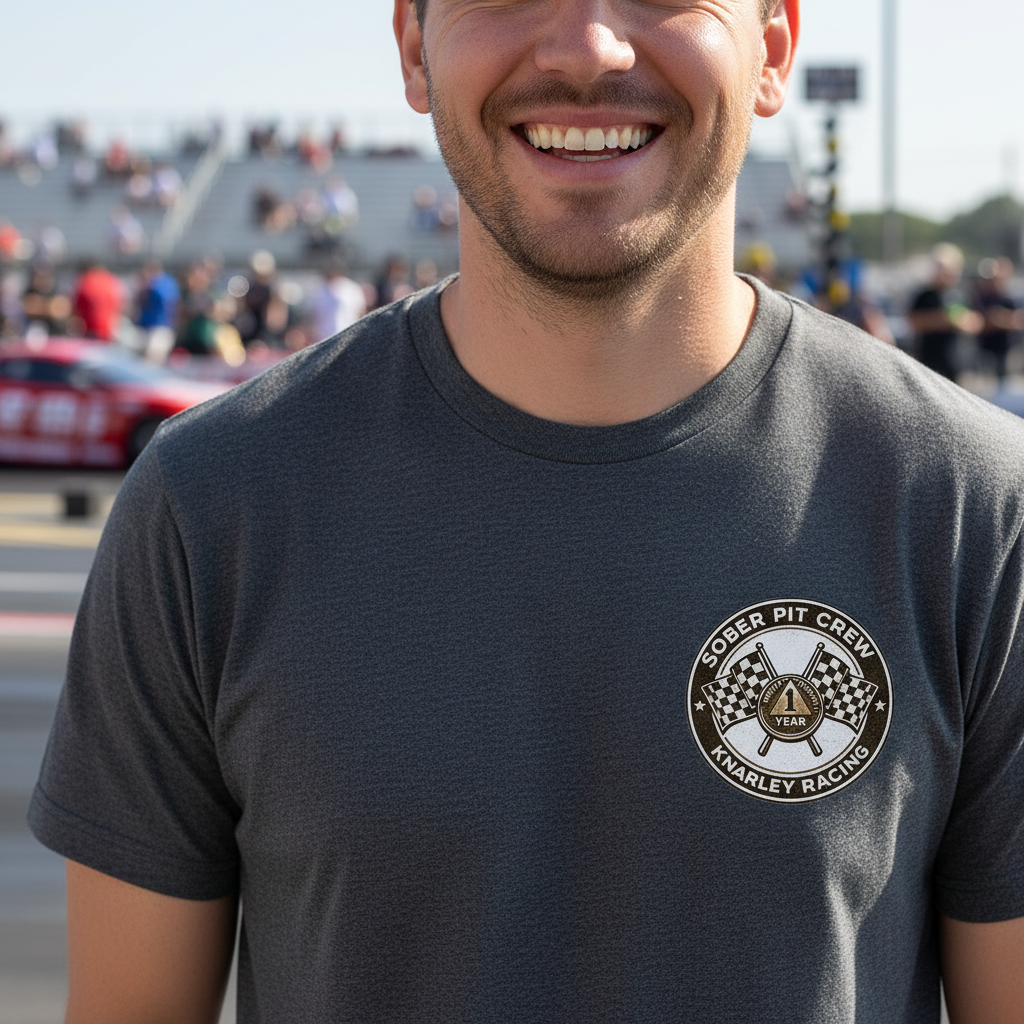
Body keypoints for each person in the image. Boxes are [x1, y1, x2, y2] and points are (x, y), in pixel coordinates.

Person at [29, 3, 1024, 1023]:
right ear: (413, 47)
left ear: (772, 48)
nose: (587, 45)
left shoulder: (973, 508)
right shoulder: (210, 507)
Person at [907, 243, 982, 381]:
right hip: (929, 362)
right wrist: (944, 320)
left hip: (957, 363)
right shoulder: (924, 295)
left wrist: (962, 321)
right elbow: (914, 322)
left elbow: (976, 321)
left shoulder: (962, 294)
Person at [974, 256, 1023, 387]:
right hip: (987, 350)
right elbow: (980, 321)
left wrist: (1000, 319)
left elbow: (1017, 320)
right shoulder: (982, 296)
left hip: (1008, 349)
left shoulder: (1012, 296)